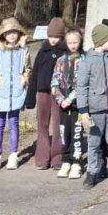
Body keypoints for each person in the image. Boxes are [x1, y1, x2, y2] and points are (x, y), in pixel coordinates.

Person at [76, 23, 108, 189]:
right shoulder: (87, 61)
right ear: (101, 41)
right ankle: (91, 173)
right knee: (94, 143)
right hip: (95, 109)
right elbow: (81, 87)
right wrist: (84, 111)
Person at [0, 17, 31, 170]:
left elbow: (28, 70)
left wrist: (23, 80)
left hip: (17, 95)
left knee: (14, 124)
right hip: (1, 95)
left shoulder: (24, 51)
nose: (11, 35)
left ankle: (13, 155)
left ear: (19, 33)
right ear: (3, 34)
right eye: (8, 32)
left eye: (14, 32)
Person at [24, 17, 67, 170]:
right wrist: (30, 97)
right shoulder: (43, 51)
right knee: (42, 124)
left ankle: (57, 158)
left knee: (58, 125)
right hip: (42, 92)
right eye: (50, 36)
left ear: (62, 36)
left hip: (59, 92)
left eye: (56, 37)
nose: (53, 40)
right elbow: (34, 74)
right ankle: (42, 158)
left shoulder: (65, 52)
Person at [51, 28, 86, 179]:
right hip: (63, 104)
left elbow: (83, 84)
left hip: (78, 104)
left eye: (75, 42)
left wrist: (70, 98)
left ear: (80, 42)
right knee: (64, 133)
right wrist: (60, 99)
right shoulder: (61, 60)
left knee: (77, 133)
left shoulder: (84, 59)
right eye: (70, 42)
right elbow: (54, 81)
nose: (72, 45)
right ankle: (66, 160)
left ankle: (76, 162)